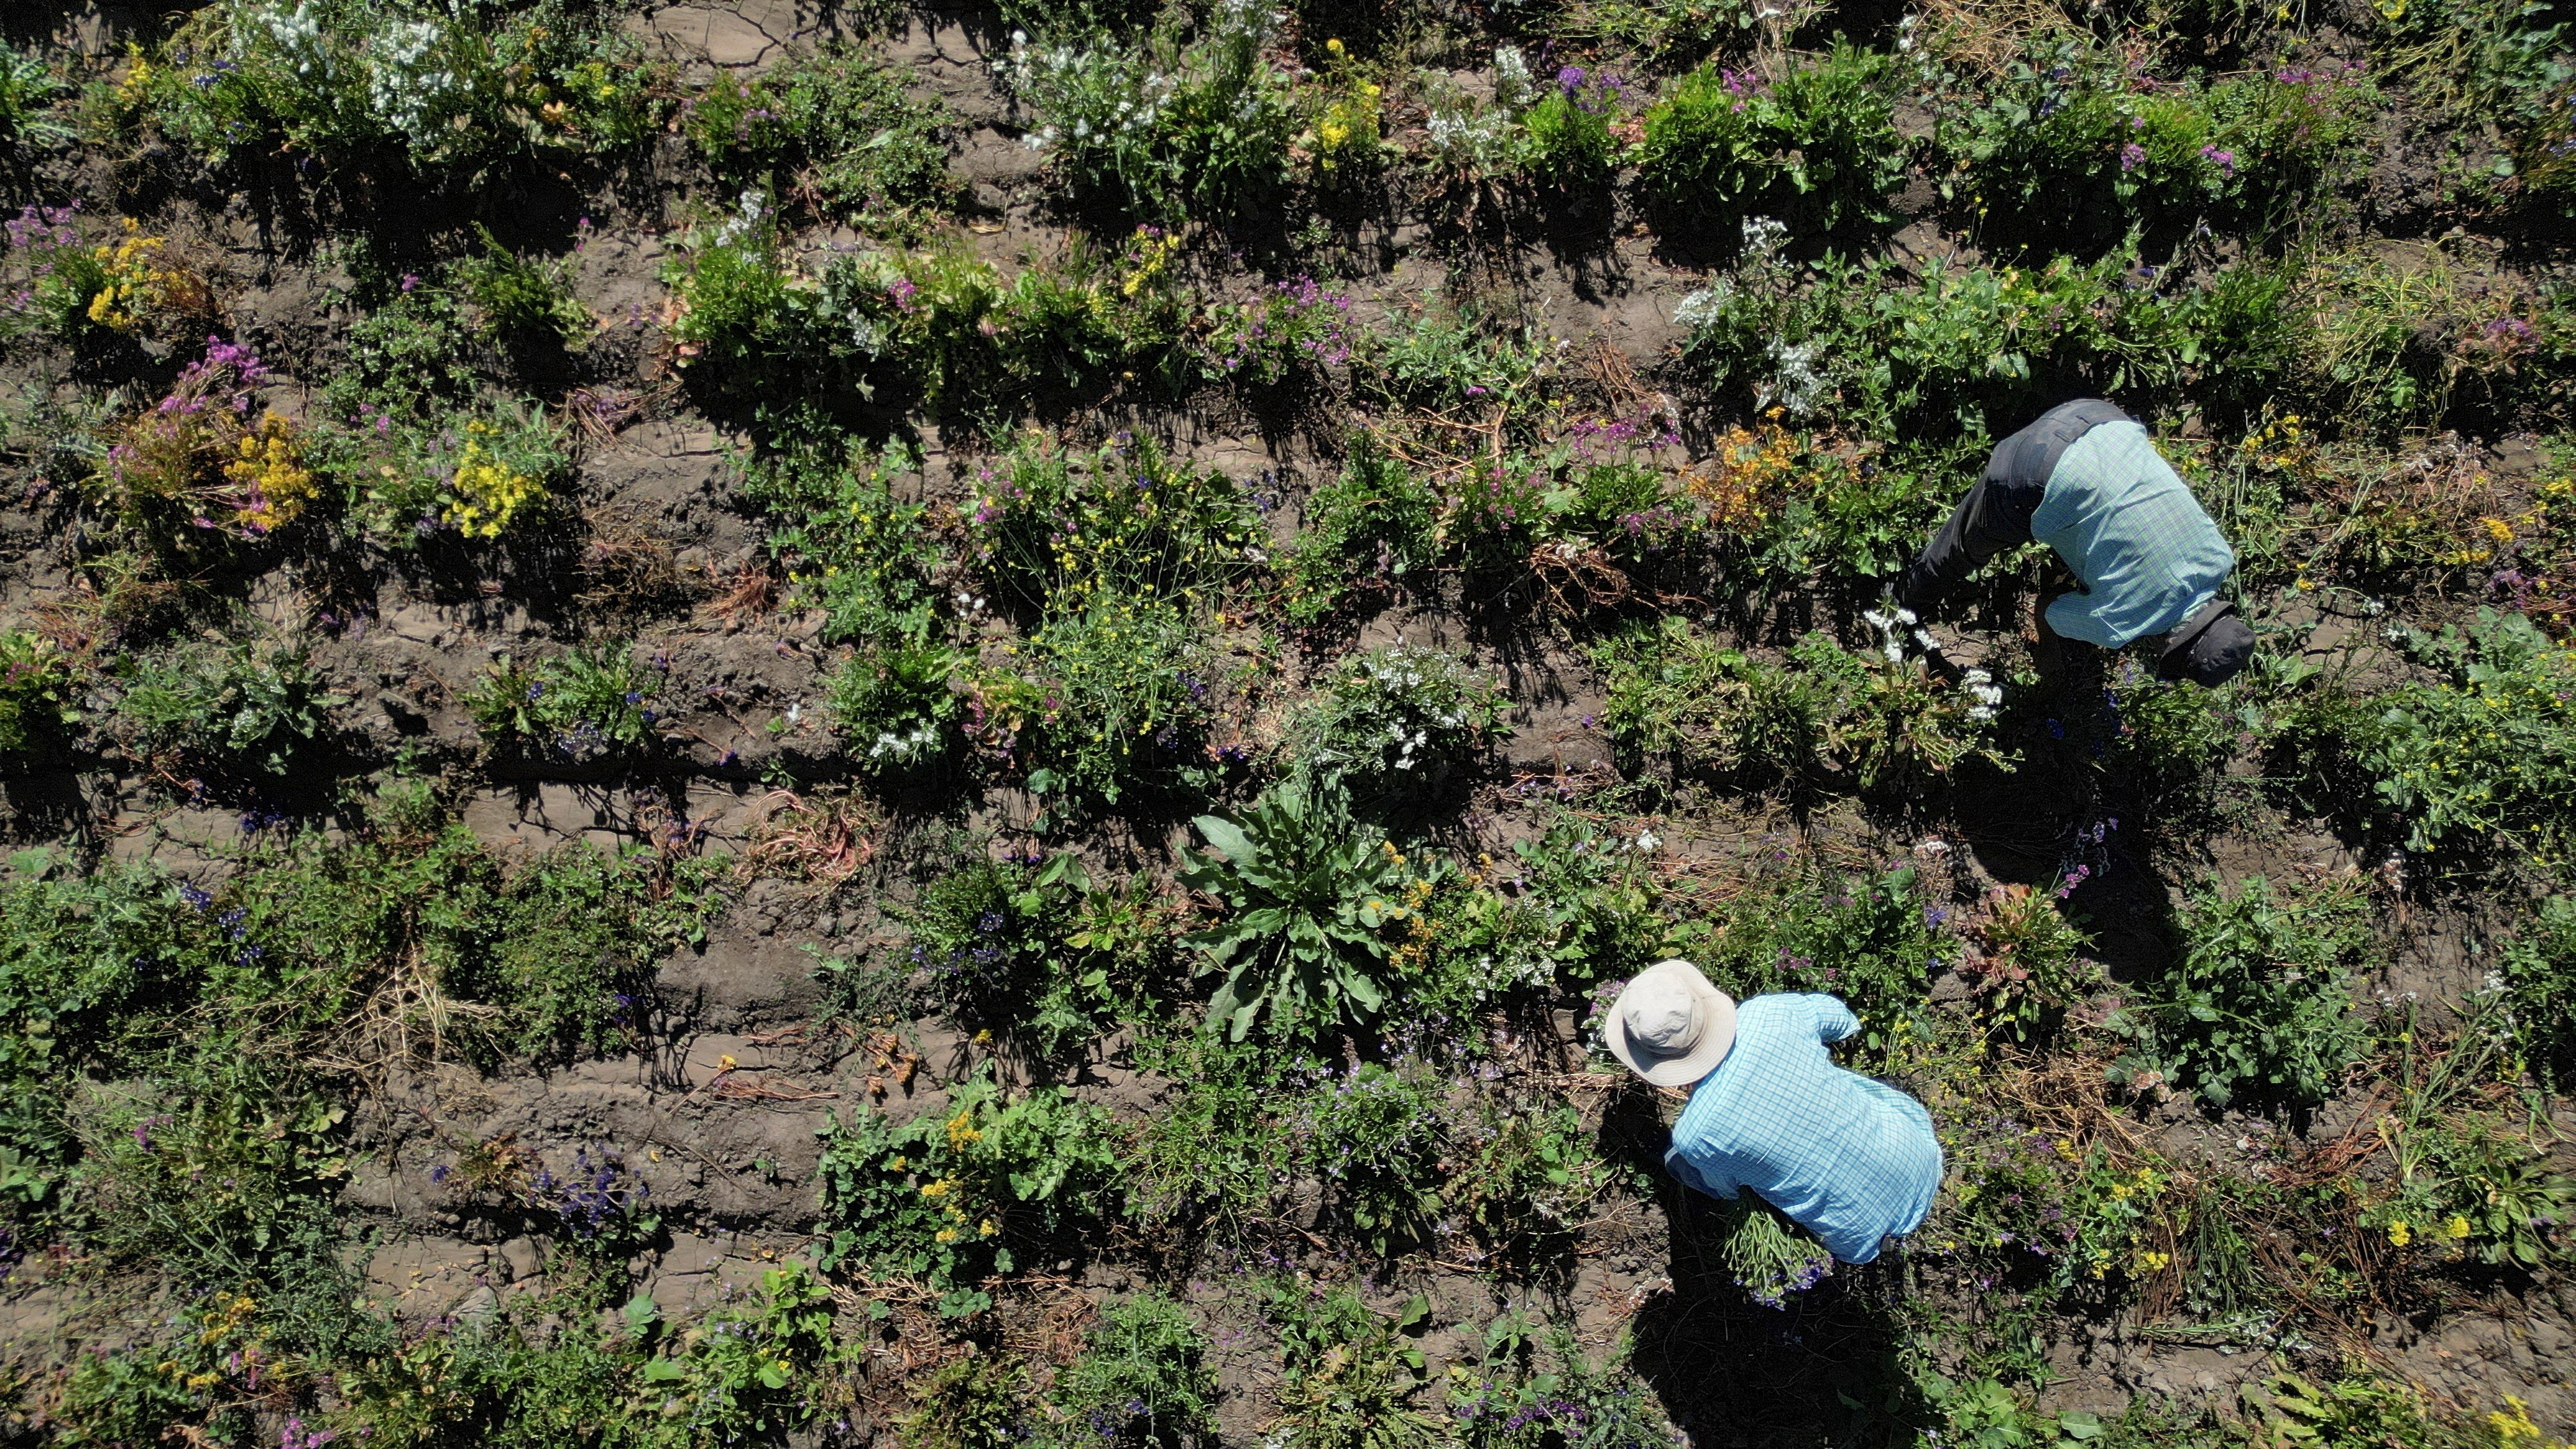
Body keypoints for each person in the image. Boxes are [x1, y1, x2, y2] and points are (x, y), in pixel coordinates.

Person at [1892, 398, 2256, 687]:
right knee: (1958, 552)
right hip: (2033, 468)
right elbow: (2048, 609)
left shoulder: (2218, 557)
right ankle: (1898, 612)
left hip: (2100, 417)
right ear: (2171, 647)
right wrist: (2051, 666)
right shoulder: (2121, 624)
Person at [1605, 960, 1941, 1264]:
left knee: (1679, 1163)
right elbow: (1842, 1021)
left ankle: (1649, 1147)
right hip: (1923, 1152)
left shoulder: (1696, 1135)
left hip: (1866, 1237)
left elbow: (1728, 1189)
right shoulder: (1770, 1014)